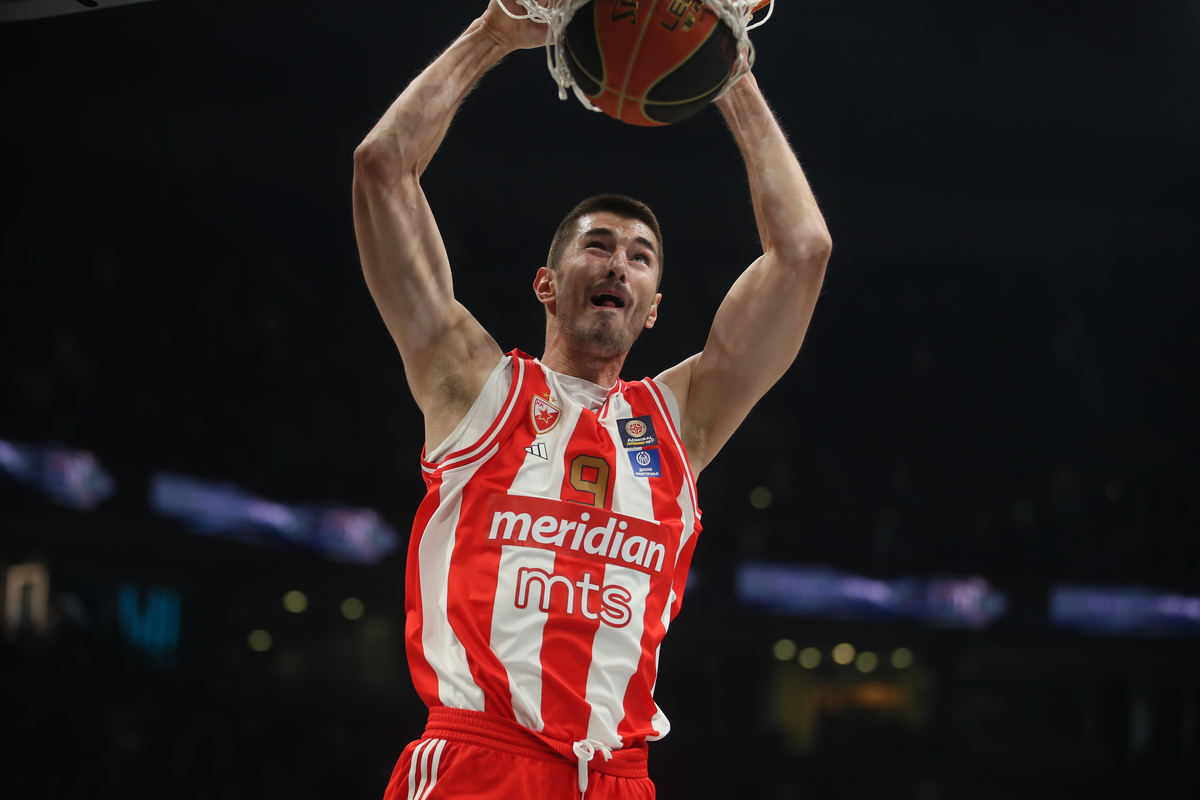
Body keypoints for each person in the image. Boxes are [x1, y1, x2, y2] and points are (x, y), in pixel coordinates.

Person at [352, 2, 831, 798]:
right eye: (598, 244)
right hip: (481, 761)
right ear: (547, 284)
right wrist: (497, 31)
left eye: (640, 256)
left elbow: (803, 252)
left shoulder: (684, 420)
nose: (619, 262)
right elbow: (382, 168)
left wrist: (724, 60)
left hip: (618, 777)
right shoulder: (470, 381)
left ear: (652, 307)